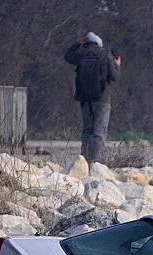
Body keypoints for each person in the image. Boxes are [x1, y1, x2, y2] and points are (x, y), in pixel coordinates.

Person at [64, 32, 120, 165]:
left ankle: (84, 161)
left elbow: (67, 56)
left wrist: (77, 43)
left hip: (84, 98)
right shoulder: (105, 54)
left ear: (86, 43)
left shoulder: (81, 54)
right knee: (99, 131)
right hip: (102, 98)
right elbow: (114, 77)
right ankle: (96, 162)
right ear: (99, 44)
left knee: (87, 130)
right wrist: (117, 65)